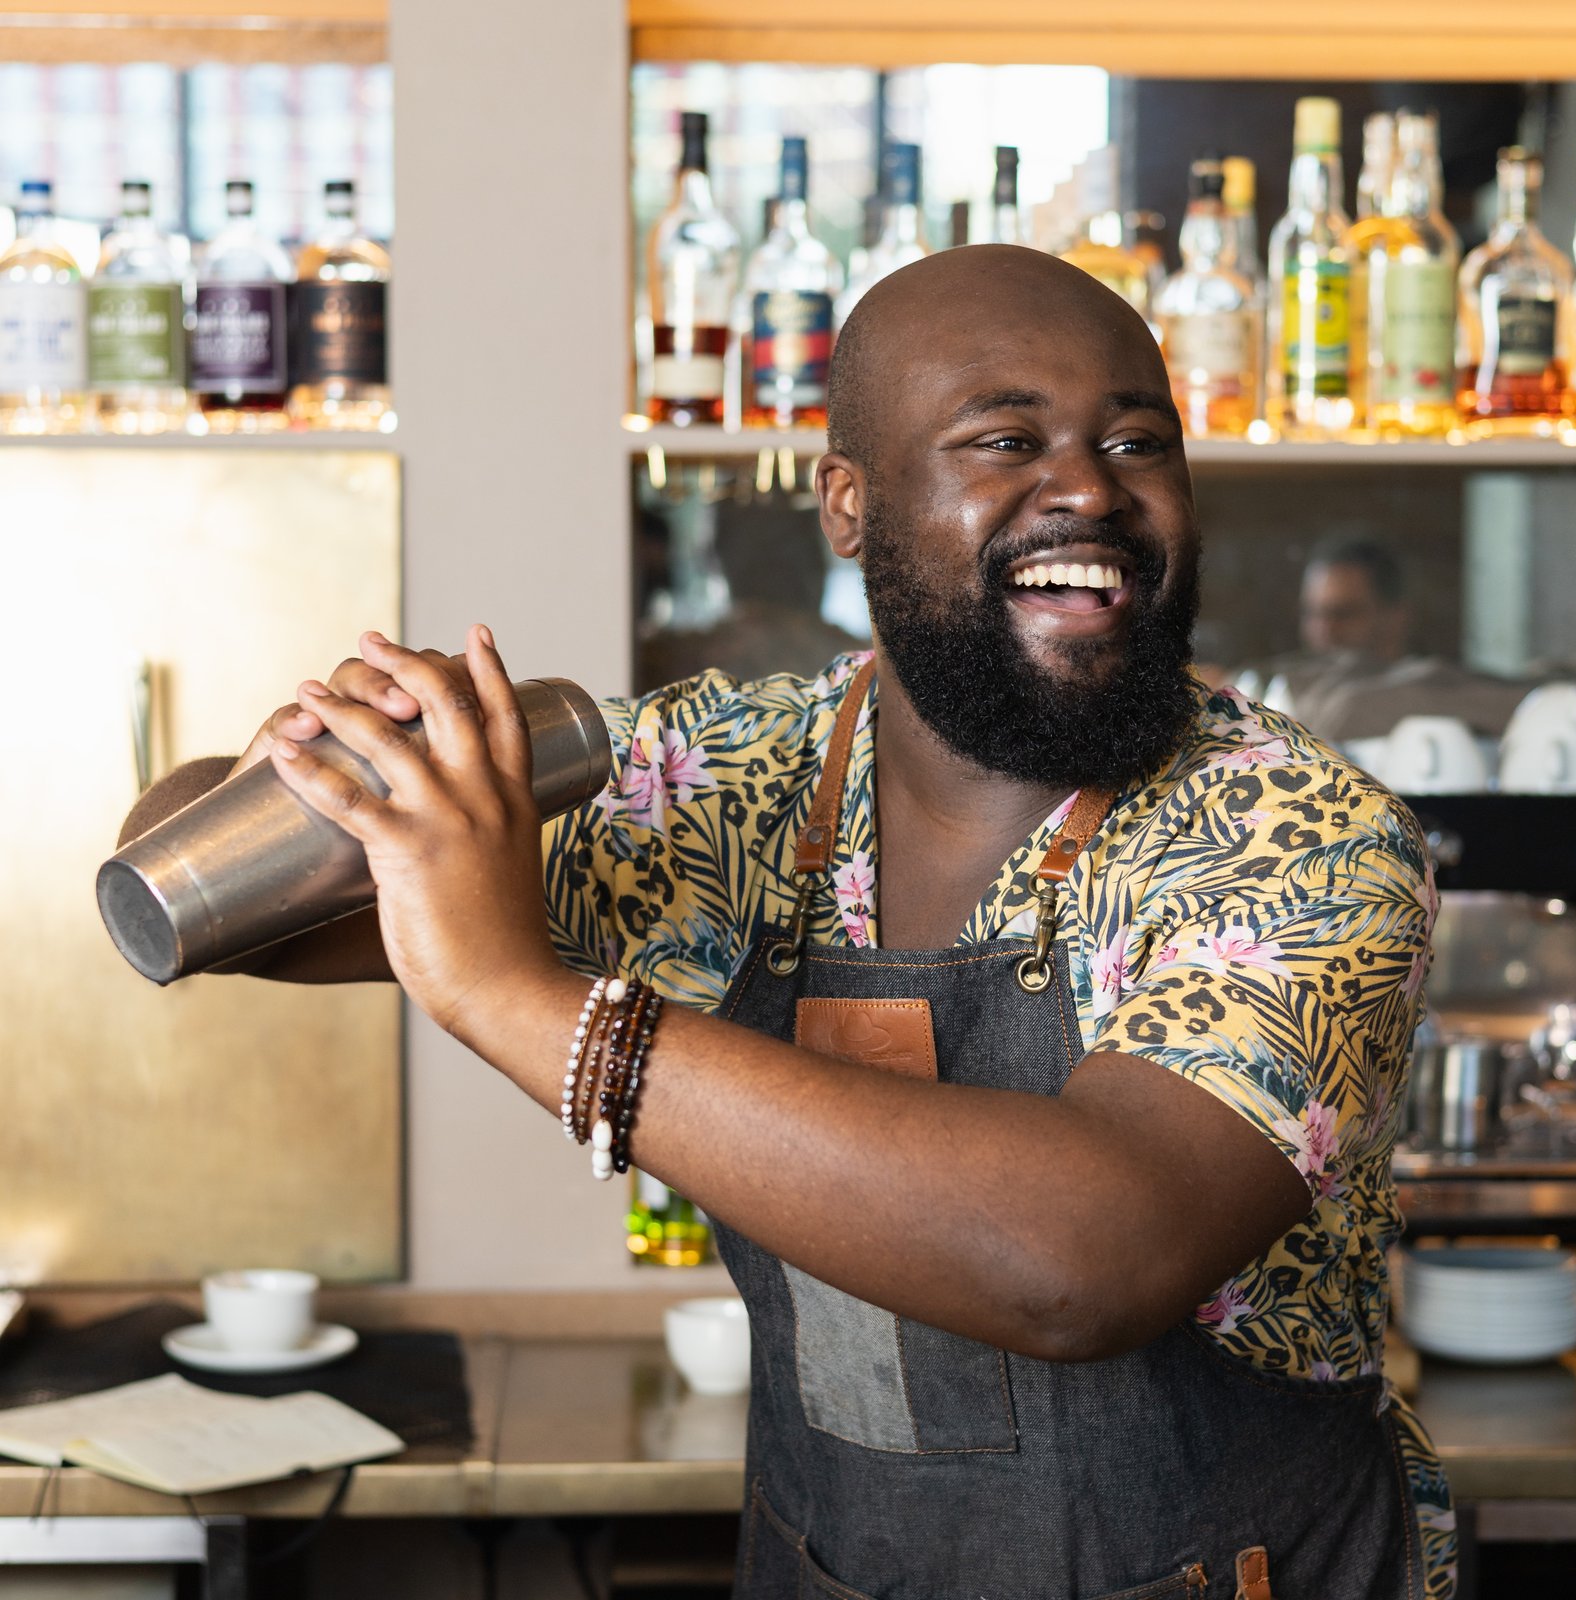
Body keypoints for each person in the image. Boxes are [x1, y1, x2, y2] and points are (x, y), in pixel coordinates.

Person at [127, 247, 1451, 1599]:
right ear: (848, 505)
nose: (1090, 488)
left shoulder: (1300, 833)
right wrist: (333, 768)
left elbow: (1082, 1262)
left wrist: (518, 997)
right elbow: (193, 893)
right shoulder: (737, 779)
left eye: (1136, 442)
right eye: (1007, 437)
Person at [1298, 536, 1410, 663]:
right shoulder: (1290, 679)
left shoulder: (1427, 680)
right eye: (1312, 613)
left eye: (1343, 614)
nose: (1322, 630)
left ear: (1395, 617)